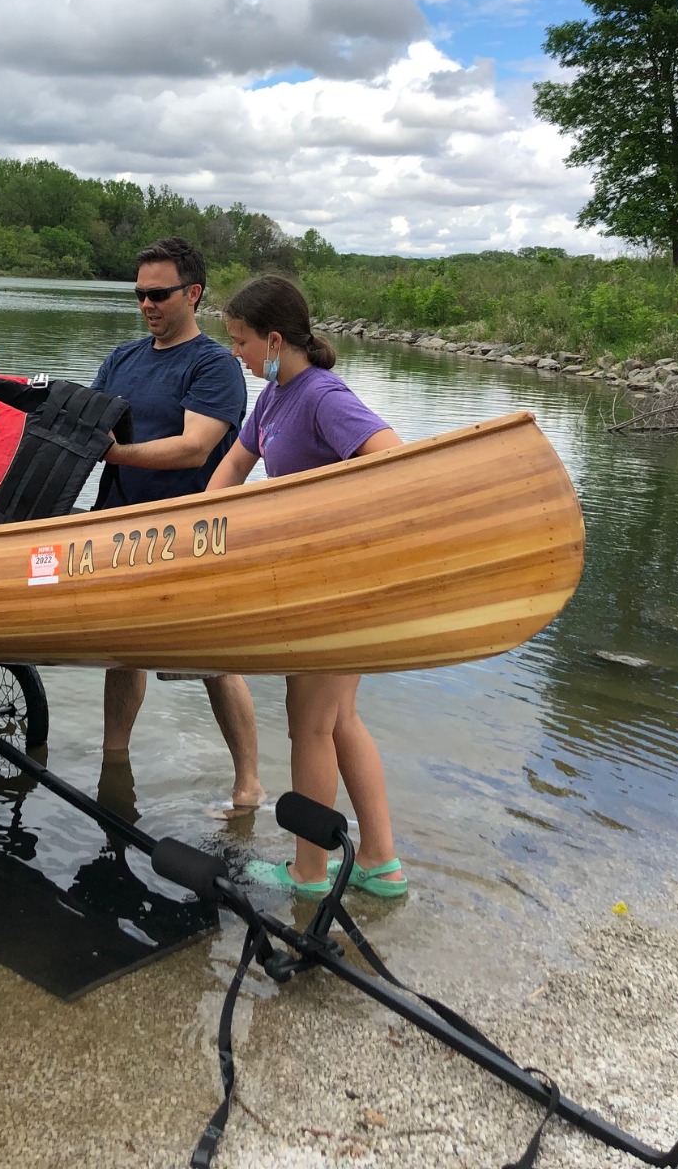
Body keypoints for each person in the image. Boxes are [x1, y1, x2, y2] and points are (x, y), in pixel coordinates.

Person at [207, 274, 407, 898]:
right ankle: (380, 865)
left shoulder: (322, 395)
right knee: (341, 721)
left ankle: (310, 872)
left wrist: (323, 520)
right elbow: (232, 471)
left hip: (337, 586)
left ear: (273, 339)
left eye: (240, 342)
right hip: (310, 586)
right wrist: (193, 533)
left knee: (312, 724)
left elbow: (391, 455)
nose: (235, 353)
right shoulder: (271, 400)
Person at [91, 237, 261, 813]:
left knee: (211, 659)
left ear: (193, 293)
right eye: (139, 294)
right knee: (121, 653)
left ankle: (248, 785)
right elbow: (90, 426)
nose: (146, 304)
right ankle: (115, 762)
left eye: (158, 294)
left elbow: (195, 448)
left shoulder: (215, 365)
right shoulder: (121, 359)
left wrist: (114, 456)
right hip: (117, 527)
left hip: (191, 535)